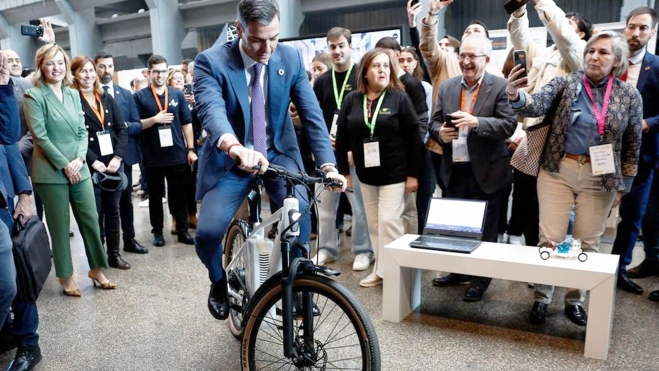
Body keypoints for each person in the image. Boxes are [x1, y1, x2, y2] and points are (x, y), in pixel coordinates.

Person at [193, 0, 345, 320]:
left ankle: (297, 287)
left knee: (300, 214)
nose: (267, 48)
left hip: (276, 151)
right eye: (257, 40)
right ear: (239, 30)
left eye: (274, 37)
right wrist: (234, 146)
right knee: (207, 232)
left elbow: (313, 117)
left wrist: (328, 165)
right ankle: (219, 281)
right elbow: (211, 111)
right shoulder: (211, 62)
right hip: (231, 158)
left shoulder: (289, 58)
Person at [507, 31, 643, 325]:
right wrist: (516, 96)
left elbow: (633, 143)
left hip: (601, 177)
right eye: (591, 51)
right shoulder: (566, 83)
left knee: (587, 243)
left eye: (604, 52)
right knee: (550, 240)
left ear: (617, 60)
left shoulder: (629, 95)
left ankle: (575, 300)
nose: (595, 56)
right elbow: (536, 104)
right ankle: (542, 297)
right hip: (558, 170)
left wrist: (624, 187)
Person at [23, 43, 116, 297]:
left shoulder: (73, 94)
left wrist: (77, 159)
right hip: (51, 172)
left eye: (60, 62)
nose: (56, 67)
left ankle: (97, 269)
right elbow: (39, 136)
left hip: (79, 166)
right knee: (60, 225)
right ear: (42, 66)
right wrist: (65, 164)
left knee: (90, 220)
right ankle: (66, 276)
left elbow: (82, 131)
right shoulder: (34, 96)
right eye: (50, 63)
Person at [429, 35, 516, 302]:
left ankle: (481, 279)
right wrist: (439, 133)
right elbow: (433, 123)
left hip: (489, 171)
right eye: (462, 56)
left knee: (486, 229)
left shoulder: (501, 86)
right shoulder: (447, 87)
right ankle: (458, 271)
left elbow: (508, 125)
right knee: (457, 226)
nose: (466, 62)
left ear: (486, 60)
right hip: (455, 168)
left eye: (472, 57)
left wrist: (476, 122)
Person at [505, 0, 592, 247]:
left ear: (581, 33)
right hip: (532, 138)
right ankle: (536, 257)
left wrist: (543, 2)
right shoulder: (546, 54)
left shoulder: (581, 52)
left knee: (556, 211)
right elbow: (521, 42)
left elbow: (564, 36)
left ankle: (558, 265)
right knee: (527, 204)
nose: (556, 28)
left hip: (560, 143)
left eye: (566, 24)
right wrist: (519, 11)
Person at [335, 48, 423, 288]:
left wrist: (413, 175)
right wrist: (344, 172)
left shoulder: (399, 98)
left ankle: (397, 274)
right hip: (365, 174)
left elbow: (415, 138)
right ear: (365, 72)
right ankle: (381, 269)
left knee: (388, 222)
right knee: (373, 224)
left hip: (395, 174)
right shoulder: (353, 99)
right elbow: (342, 136)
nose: (382, 70)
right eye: (376, 65)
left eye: (386, 65)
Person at [310, 27, 374, 273]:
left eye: (341, 46)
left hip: (353, 155)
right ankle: (326, 248)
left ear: (351, 47)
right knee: (324, 206)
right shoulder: (323, 81)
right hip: (327, 156)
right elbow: (314, 117)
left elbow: (369, 115)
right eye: (332, 46)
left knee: (358, 208)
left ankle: (362, 251)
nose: (336, 51)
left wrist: (353, 149)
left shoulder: (361, 76)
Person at [609, 7, 659, 296]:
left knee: (632, 216)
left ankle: (619, 270)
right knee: (592, 213)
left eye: (642, 28)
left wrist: (646, 124)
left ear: (652, 32)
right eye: (631, 27)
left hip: (642, 156)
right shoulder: (611, 63)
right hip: (602, 153)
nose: (635, 33)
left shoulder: (657, 67)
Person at [0, 52, 42, 371]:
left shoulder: (7, 87)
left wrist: (24, 191)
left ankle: (28, 342)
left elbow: (8, 139)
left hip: (3, 197)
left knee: (15, 275)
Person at [71, 55, 131, 272]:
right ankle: (98, 256)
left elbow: (122, 130)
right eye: (83, 71)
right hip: (90, 164)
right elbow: (74, 136)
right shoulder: (72, 100)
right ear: (75, 75)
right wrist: (93, 161)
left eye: (90, 71)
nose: (88, 75)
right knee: (94, 213)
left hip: (114, 163)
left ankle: (114, 254)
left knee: (113, 210)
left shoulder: (106, 97)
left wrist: (118, 157)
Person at [134, 54, 197, 247]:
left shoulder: (176, 94)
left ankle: (183, 231)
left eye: (163, 71)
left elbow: (187, 124)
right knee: (155, 196)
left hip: (177, 153)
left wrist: (191, 149)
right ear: (149, 73)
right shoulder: (139, 97)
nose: (160, 75)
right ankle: (157, 233)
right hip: (152, 155)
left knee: (179, 195)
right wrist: (154, 119)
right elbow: (136, 125)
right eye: (156, 72)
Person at [95, 52, 149, 255]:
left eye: (109, 66)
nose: (106, 70)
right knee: (100, 204)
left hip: (122, 156)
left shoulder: (125, 94)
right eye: (102, 66)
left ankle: (130, 239)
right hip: (98, 159)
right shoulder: (89, 95)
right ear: (95, 68)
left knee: (125, 202)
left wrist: (122, 127)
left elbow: (136, 124)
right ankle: (100, 246)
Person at [167, 68, 199, 232]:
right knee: (175, 187)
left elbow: (197, 122)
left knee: (191, 183)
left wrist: (195, 104)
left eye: (181, 78)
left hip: (192, 146)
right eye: (175, 78)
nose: (179, 80)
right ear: (169, 81)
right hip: (173, 147)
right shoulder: (166, 98)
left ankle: (192, 214)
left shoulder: (191, 99)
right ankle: (175, 218)